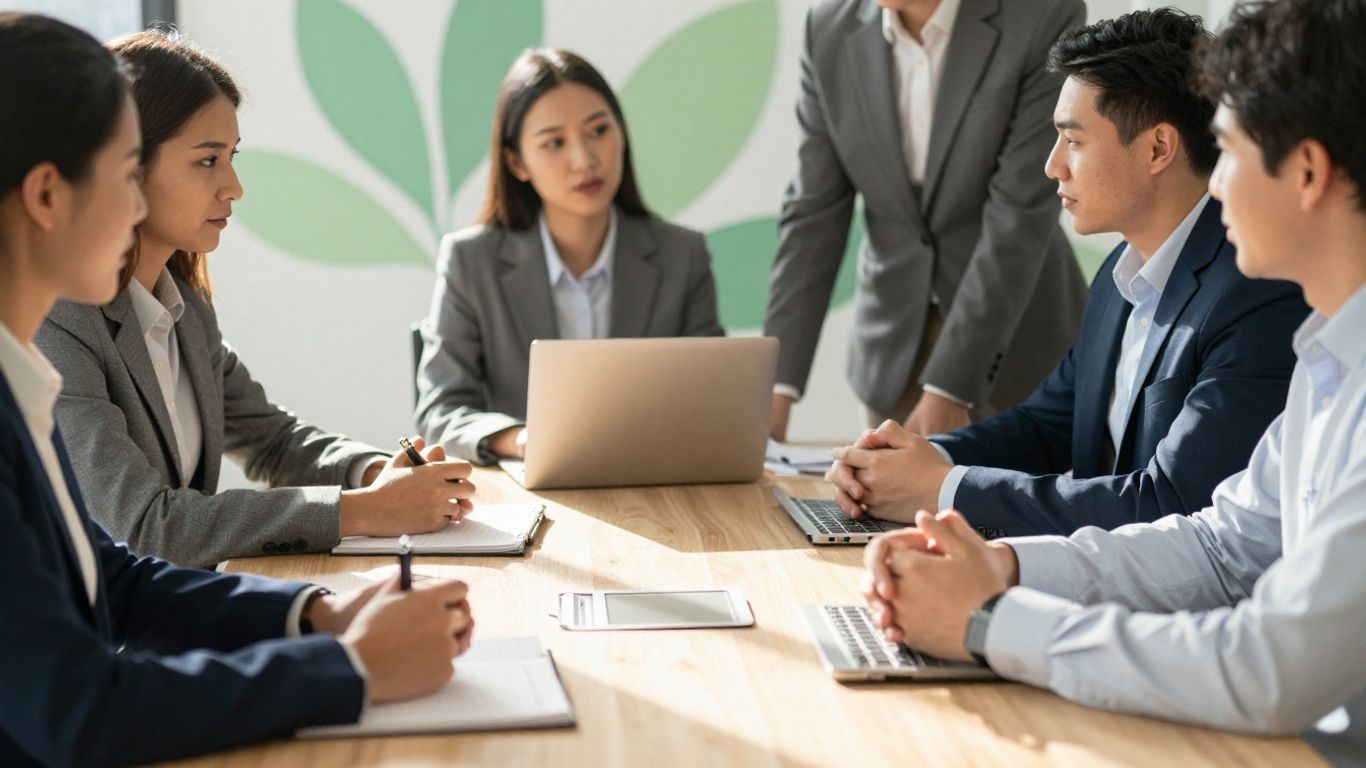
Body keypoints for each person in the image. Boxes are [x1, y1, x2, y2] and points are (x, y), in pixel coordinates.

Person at [861, 1, 1366, 761]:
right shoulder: (1330, 356)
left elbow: (1272, 669)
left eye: (1225, 151)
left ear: (1306, 171)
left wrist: (993, 621)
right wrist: (999, 567)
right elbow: (1221, 548)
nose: (1215, 185)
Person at [0, 14, 473, 765]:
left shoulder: (21, 378)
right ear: (49, 196)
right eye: (126, 174)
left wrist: (317, 613)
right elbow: (80, 708)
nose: (133, 208)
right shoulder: (45, 353)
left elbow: (111, 576)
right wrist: (349, 667)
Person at [825, 9, 1308, 538]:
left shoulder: (1257, 293)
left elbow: (1172, 504)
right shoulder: (1117, 281)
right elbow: (1044, 428)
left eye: (1073, 141)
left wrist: (942, 488)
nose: (1052, 165)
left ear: (1158, 148)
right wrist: (904, 459)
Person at [35, 29, 475, 569]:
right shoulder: (59, 321)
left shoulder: (185, 307)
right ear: (128, 164)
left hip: (185, 607)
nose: (234, 185)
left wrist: (376, 474)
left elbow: (272, 441)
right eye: (207, 160)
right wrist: (361, 511)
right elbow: (144, 527)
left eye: (231, 156)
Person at [764, 0, 1089, 441]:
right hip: (893, 350)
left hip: (1015, 343)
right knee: (880, 507)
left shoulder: (1041, 14)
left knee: (1010, 504)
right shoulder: (828, 29)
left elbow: (1019, 213)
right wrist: (774, 388)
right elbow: (813, 214)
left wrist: (949, 387)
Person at [415, 49, 724, 465]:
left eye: (598, 131)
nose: (584, 160)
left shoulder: (682, 255)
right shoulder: (471, 262)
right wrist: (524, 441)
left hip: (654, 485)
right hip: (527, 495)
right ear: (517, 162)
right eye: (554, 143)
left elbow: (714, 400)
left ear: (621, 134)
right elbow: (440, 412)